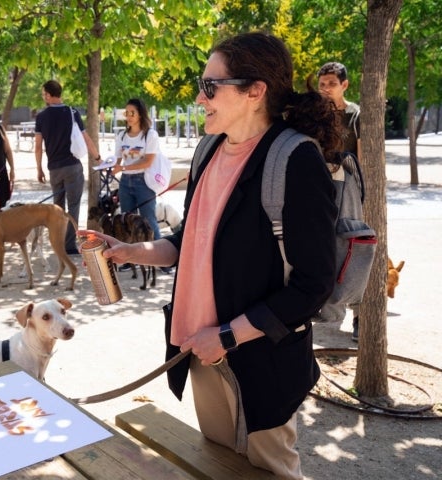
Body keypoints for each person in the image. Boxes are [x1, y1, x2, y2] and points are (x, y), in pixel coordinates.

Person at [79, 32, 340, 478]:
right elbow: (189, 243)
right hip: (200, 351)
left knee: (270, 471)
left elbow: (313, 285)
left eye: (211, 86)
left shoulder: (294, 160)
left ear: (255, 91)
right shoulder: (208, 150)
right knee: (220, 468)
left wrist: (227, 336)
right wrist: (128, 251)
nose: (200, 98)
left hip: (259, 361)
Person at [316, 61, 364, 340]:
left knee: (355, 250)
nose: (326, 89)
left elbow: (363, 155)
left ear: (344, 85)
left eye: (331, 84)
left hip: (351, 193)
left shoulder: (355, 115)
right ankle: (325, 309)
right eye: (322, 84)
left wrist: (364, 195)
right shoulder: (317, 114)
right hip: (323, 191)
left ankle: (360, 316)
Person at [34, 79, 102, 254]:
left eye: (44, 94)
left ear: (49, 95)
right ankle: (70, 245)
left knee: (57, 208)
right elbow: (86, 138)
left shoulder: (41, 117)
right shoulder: (72, 113)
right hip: (72, 166)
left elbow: (38, 146)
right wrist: (97, 157)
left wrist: (39, 168)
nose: (43, 97)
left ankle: (58, 243)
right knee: (74, 206)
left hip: (54, 168)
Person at [110, 98, 171, 274]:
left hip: (143, 181)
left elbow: (148, 161)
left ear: (140, 114)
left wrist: (123, 167)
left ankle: (163, 260)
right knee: (126, 220)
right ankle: (130, 259)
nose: (128, 116)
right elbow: (117, 159)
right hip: (125, 181)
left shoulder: (150, 135)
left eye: (132, 113)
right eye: (126, 113)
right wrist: (109, 166)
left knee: (148, 220)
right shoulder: (121, 135)